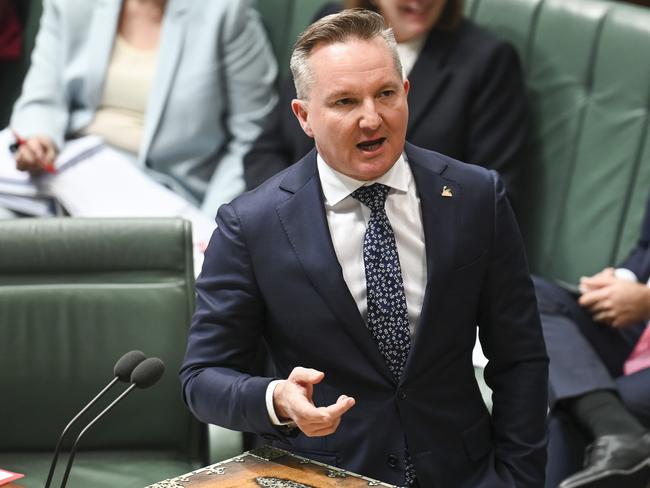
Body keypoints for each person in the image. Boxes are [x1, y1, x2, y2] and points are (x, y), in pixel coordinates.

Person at [180, 10, 548, 488]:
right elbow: (202, 378)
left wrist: (518, 479)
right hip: (325, 474)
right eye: (345, 101)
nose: (372, 118)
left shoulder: (477, 197)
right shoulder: (251, 225)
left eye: (386, 94)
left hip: (465, 473)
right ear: (304, 116)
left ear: (406, 93)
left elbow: (520, 359)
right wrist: (275, 398)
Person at [243, 0, 529, 212]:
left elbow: (494, 198)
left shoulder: (487, 60)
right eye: (345, 101)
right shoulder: (331, 27)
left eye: (386, 94)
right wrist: (295, 219)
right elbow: (268, 149)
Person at [8, 0, 276, 216]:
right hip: (66, 170)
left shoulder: (226, 11)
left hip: (160, 190)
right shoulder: (70, 5)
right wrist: (38, 138)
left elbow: (252, 135)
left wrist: (215, 221)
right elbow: (41, 98)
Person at [534, 199, 650, 488]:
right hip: (637, 331)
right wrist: (620, 280)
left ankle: (616, 429)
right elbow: (646, 248)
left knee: (579, 411)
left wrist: (647, 302)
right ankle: (619, 431)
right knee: (527, 295)